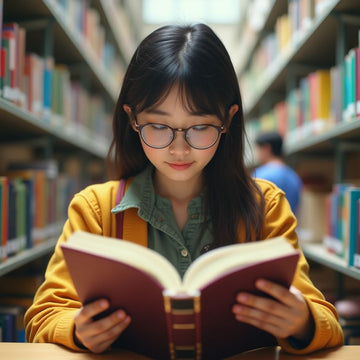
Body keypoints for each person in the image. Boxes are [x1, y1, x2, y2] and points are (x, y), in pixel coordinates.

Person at [24, 23, 343, 355]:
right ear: (132, 119)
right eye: (159, 126)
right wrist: (77, 330)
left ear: (228, 119)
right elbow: (42, 319)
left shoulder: (266, 206)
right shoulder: (94, 209)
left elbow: (328, 325)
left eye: (201, 126)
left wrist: (302, 321)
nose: (179, 149)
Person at [253, 131, 303, 214]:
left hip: (267, 226)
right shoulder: (294, 177)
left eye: (258, 150)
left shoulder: (260, 176)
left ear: (266, 148)